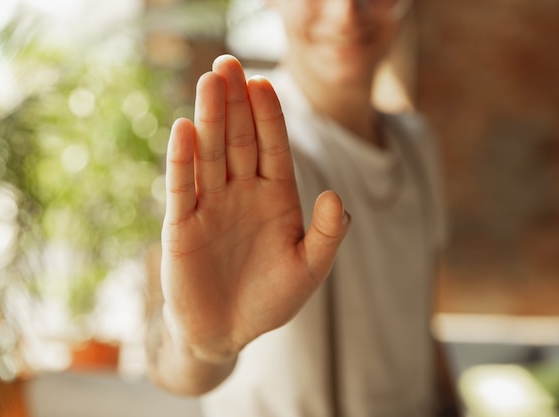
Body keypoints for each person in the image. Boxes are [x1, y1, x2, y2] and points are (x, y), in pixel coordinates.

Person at [146, 0, 461, 415]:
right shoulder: (242, 151)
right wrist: (203, 349)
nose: (346, 12)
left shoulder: (418, 146)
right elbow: (166, 356)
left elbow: (421, 318)